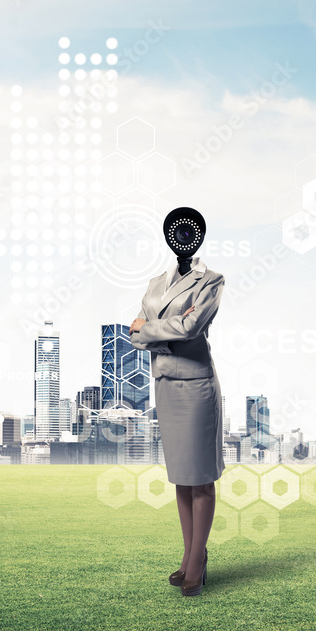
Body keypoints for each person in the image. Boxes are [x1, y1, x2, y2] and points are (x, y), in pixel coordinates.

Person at [130, 224, 225, 597]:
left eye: (189, 233)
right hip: (166, 386)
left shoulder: (212, 280)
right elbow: (135, 335)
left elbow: (191, 326)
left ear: (198, 237)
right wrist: (166, 333)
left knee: (201, 479)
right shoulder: (156, 283)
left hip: (197, 386)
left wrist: (154, 329)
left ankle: (198, 561)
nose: (183, 239)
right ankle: (188, 557)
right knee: (181, 479)